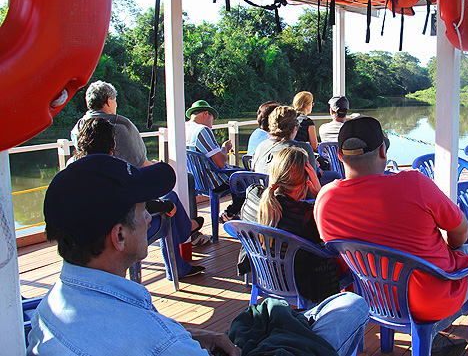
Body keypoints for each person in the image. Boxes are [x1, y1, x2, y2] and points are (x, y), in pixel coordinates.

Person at [27, 154, 368, 356]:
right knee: (352, 306)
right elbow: (155, 341)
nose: (150, 217)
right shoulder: (159, 343)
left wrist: (199, 335)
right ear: (118, 235)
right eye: (145, 209)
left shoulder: (49, 308)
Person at [315, 116, 468, 356]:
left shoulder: (325, 199)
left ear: (339, 155)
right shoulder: (415, 184)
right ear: (383, 151)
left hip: (373, 296)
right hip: (430, 300)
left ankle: (431, 338)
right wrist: (454, 248)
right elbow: (461, 231)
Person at [70, 118, 209, 279]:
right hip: (118, 235)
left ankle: (187, 228)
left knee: (168, 202)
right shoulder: (116, 170)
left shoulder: (71, 168)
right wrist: (164, 206)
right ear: (112, 145)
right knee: (169, 207)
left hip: (82, 237)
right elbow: (134, 203)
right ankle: (181, 256)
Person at [239, 147, 340, 303]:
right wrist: (320, 194)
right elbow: (333, 232)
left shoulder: (253, 197)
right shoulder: (306, 216)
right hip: (299, 283)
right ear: (307, 180)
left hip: (264, 277)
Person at [71, 80, 155, 168]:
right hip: (121, 178)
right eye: (115, 101)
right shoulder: (120, 126)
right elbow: (140, 164)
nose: (116, 105)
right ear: (108, 101)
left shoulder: (78, 128)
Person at [185, 100, 243, 222]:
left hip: (194, 180)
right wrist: (224, 148)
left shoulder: (182, 129)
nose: (211, 125)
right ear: (206, 114)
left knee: (237, 174)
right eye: (212, 119)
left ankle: (233, 213)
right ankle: (230, 213)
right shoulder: (202, 130)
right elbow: (221, 163)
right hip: (212, 181)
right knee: (244, 179)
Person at [252, 106, 317, 175]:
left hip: (262, 185)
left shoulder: (261, 147)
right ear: (294, 128)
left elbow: (253, 170)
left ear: (270, 126)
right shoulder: (303, 149)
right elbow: (312, 179)